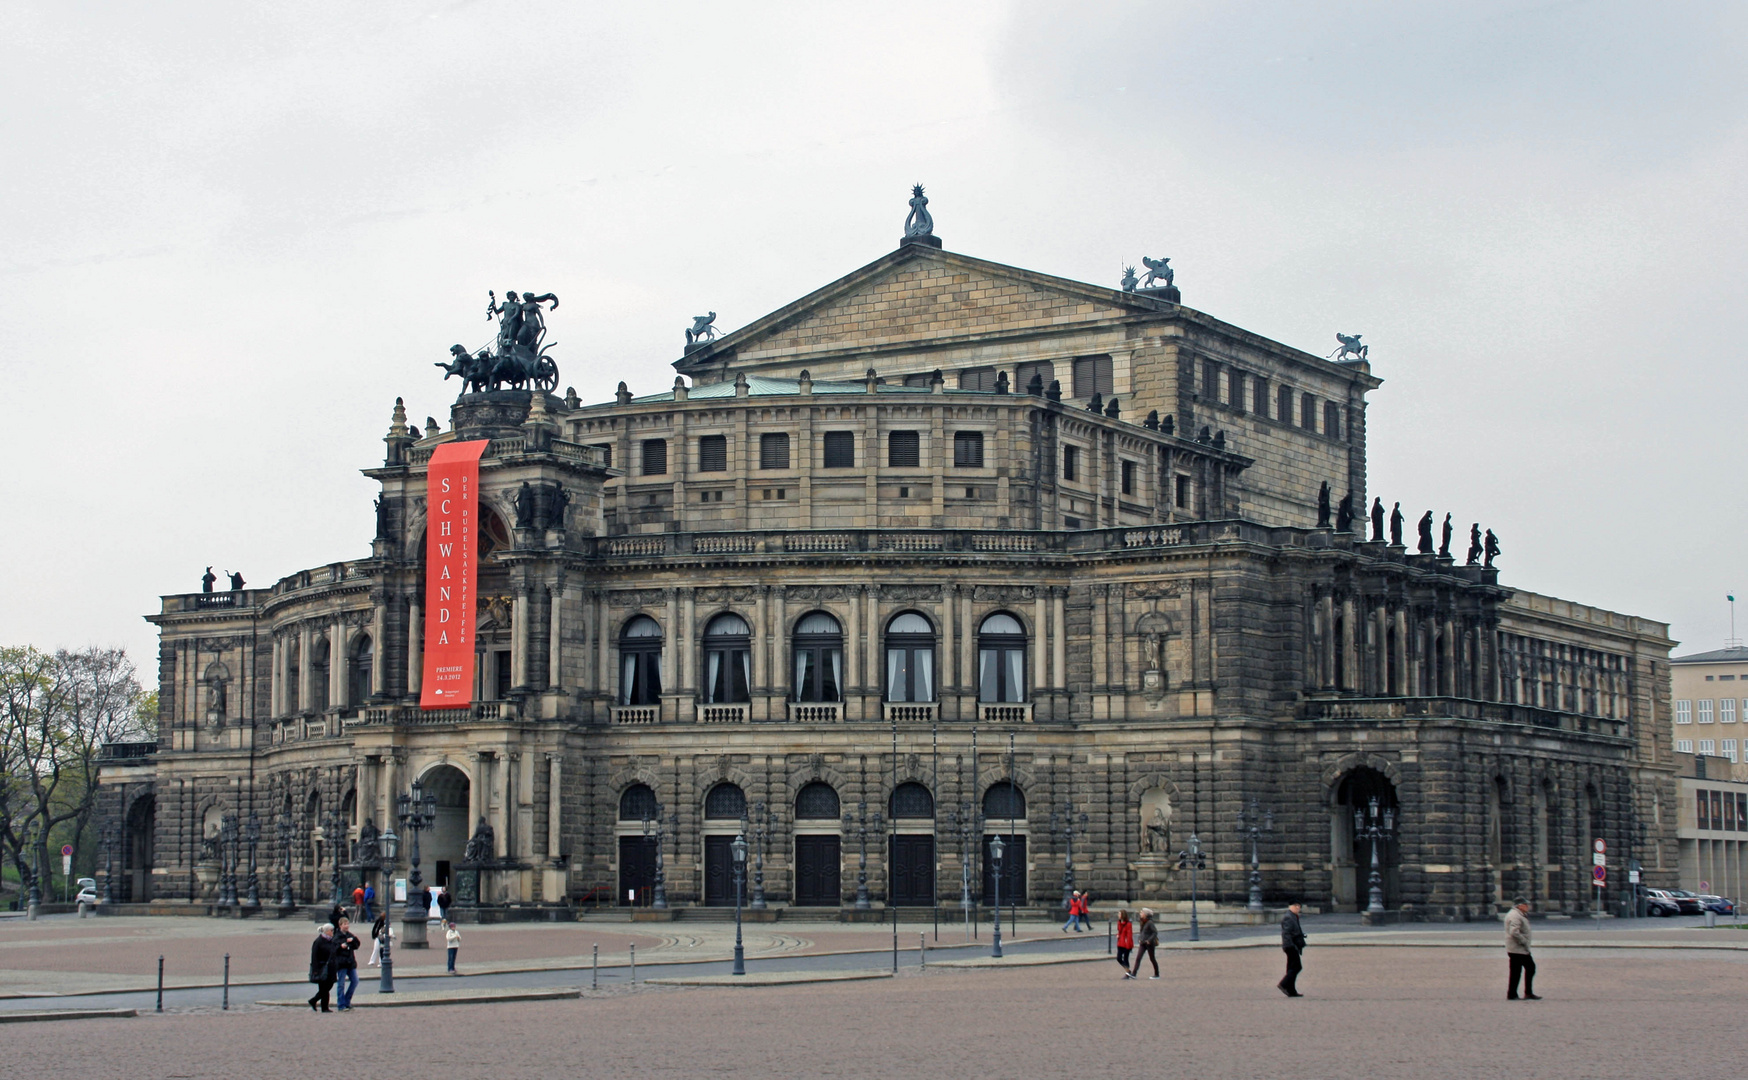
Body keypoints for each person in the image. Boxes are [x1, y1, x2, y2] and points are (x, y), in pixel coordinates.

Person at [1506, 897, 1540, 1000]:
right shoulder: (1515, 916)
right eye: (1525, 904)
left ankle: (1514, 993)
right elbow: (1514, 932)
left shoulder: (1518, 914)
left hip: (1517, 949)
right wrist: (1524, 941)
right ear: (1519, 905)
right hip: (1518, 949)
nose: (1527, 906)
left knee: (1517, 971)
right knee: (1529, 968)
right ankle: (1523, 993)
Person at [331, 915, 362, 1011]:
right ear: (340, 925)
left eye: (347, 924)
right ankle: (341, 1005)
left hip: (350, 962)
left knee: (355, 980)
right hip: (341, 963)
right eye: (345, 924)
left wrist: (353, 941)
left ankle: (347, 1001)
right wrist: (341, 946)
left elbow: (357, 945)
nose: (346, 926)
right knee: (341, 984)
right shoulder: (337, 936)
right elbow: (333, 949)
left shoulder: (350, 935)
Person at [1279, 902, 1307, 997]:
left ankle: (1291, 989)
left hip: (1293, 945)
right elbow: (1286, 933)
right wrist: (1291, 945)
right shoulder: (1289, 917)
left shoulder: (1293, 916)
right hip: (1290, 946)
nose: (1298, 908)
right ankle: (1284, 984)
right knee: (1297, 967)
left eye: (1299, 906)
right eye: (1296, 906)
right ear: (1291, 906)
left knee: (1291, 968)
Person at [307, 924, 338, 1012]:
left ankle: (315, 1001)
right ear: (327, 931)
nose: (333, 932)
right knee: (324, 988)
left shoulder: (331, 941)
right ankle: (323, 1007)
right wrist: (315, 970)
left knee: (328, 986)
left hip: (330, 967)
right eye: (332, 931)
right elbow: (314, 957)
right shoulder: (318, 941)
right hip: (322, 968)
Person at [1126, 908, 1159, 980]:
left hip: (1149, 944)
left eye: (1141, 912)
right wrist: (1140, 939)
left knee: (1152, 958)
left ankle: (1157, 974)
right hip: (1143, 943)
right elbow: (1142, 932)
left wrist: (1149, 940)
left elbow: (1155, 932)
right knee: (1138, 958)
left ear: (1145, 914)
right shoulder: (1142, 921)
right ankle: (1134, 974)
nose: (1140, 913)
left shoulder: (1150, 922)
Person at [1115, 908, 1134, 973]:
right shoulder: (1119, 922)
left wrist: (1128, 946)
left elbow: (1129, 935)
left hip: (1126, 944)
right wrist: (1118, 935)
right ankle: (1128, 971)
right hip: (1120, 942)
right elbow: (1119, 931)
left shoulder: (1128, 924)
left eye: (1119, 914)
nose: (1118, 915)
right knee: (1119, 958)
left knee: (1126, 959)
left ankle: (1127, 973)